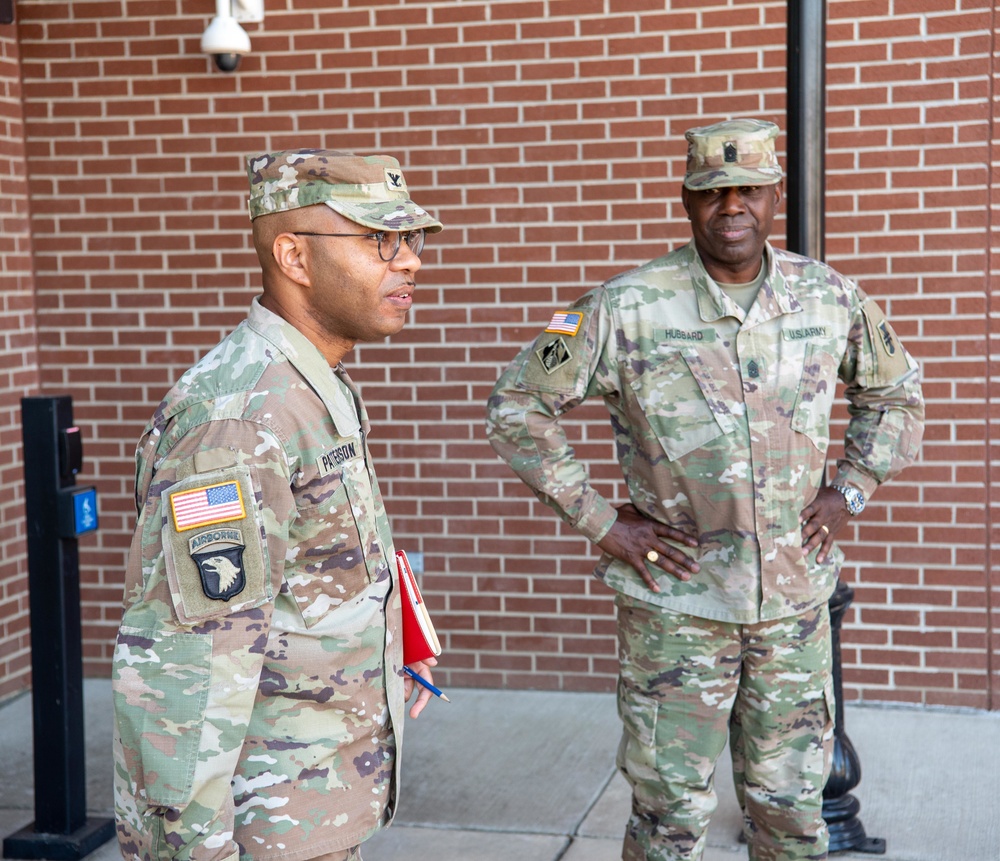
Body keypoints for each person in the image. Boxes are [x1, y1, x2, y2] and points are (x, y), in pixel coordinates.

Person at [485, 119, 924, 861]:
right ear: (687, 202)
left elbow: (897, 394)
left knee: (791, 813)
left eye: (748, 189)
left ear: (774, 196)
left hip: (790, 607)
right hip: (676, 612)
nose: (731, 206)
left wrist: (849, 488)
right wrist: (601, 522)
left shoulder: (830, 298)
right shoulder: (624, 306)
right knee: (668, 818)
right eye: (712, 192)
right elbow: (516, 405)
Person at [111, 149, 443, 861]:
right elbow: (184, 674)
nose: (410, 261)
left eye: (412, 239)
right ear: (293, 256)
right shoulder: (238, 420)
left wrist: (393, 637)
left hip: (317, 801)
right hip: (269, 827)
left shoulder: (311, 381)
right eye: (380, 239)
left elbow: (315, 571)